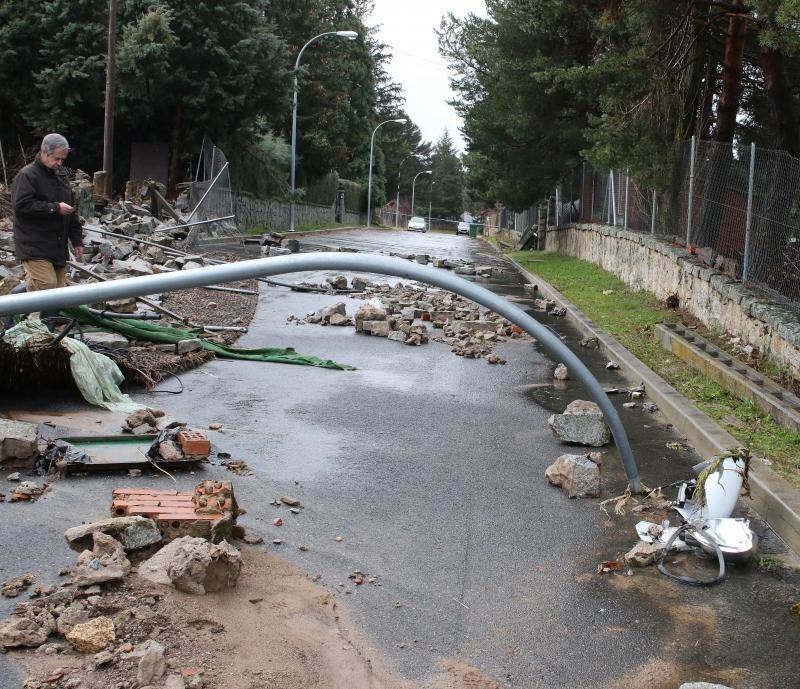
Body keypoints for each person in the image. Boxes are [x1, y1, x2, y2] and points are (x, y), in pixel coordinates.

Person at [12, 133, 84, 292]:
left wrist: (77, 240)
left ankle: (40, 314)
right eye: (56, 159)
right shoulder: (27, 175)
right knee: (46, 285)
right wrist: (55, 208)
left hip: (56, 244)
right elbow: (22, 206)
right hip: (33, 244)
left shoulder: (61, 176)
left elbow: (71, 211)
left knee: (58, 291)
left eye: (62, 160)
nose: (59, 163)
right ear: (44, 152)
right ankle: (14, 304)